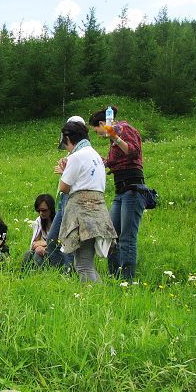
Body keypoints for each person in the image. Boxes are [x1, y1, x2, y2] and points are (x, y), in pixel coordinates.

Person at [89, 105, 146, 280]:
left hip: (132, 189)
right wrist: (98, 160)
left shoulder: (125, 129)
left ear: (101, 123)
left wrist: (115, 137)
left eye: (96, 130)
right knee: (111, 235)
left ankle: (126, 280)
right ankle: (115, 276)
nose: (97, 134)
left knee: (127, 239)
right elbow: (115, 161)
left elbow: (134, 151)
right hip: (120, 191)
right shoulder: (114, 140)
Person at [57, 121, 118, 283]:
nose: (67, 148)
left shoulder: (77, 156)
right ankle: (96, 296)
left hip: (82, 213)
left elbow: (63, 187)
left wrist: (64, 171)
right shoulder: (95, 155)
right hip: (98, 211)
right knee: (85, 263)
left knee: (83, 265)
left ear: (69, 138)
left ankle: (97, 299)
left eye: (66, 143)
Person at [43, 115, 87, 270]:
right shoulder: (74, 152)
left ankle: (69, 270)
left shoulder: (82, 153)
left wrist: (64, 171)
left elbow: (72, 182)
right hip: (64, 199)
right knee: (52, 239)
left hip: (72, 198)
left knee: (69, 237)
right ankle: (61, 269)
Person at [21, 194, 55, 270]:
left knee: (38, 252)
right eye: (38, 210)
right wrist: (40, 246)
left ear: (51, 209)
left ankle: (38, 274)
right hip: (44, 250)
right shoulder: (39, 221)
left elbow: (62, 243)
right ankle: (22, 274)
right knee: (28, 254)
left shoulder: (58, 222)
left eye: (44, 210)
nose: (41, 213)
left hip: (56, 252)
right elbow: (33, 244)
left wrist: (45, 244)